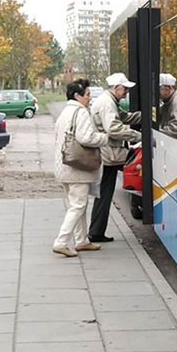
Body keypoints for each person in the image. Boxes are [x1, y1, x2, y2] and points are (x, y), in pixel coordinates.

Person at [53, 79, 109, 257]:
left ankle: (82, 241)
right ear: (77, 96)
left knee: (78, 205)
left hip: (64, 166)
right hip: (77, 169)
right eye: (87, 95)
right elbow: (86, 138)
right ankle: (61, 242)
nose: (89, 99)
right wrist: (104, 138)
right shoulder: (81, 112)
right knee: (78, 206)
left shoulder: (65, 112)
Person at [89, 72, 142, 242]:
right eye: (125, 88)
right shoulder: (107, 104)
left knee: (104, 193)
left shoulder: (110, 101)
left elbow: (124, 117)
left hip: (108, 153)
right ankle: (96, 232)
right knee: (104, 193)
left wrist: (146, 114)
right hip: (108, 154)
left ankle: (96, 231)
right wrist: (138, 136)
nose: (126, 92)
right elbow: (114, 128)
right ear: (116, 87)